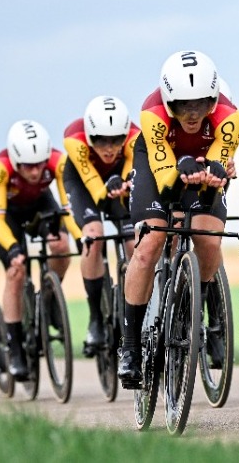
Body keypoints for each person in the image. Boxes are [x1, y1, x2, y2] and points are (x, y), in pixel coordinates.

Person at [117, 50, 239, 388]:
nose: (192, 113)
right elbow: (166, 184)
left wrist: (210, 174)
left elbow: (215, 176)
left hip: (199, 176)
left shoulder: (230, 118)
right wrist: (180, 169)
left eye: (201, 104)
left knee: (208, 237)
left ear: (214, 100)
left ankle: (196, 303)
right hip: (157, 169)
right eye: (183, 105)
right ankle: (129, 347)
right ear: (168, 102)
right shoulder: (152, 112)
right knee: (150, 242)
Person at [0, 120, 83, 379]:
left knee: (61, 246)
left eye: (40, 164)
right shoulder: (0, 168)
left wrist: (80, 236)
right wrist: (13, 247)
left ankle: (49, 296)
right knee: (16, 271)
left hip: (41, 205)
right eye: (28, 166)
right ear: (16, 160)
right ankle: (15, 346)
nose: (35, 172)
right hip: (9, 217)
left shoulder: (58, 162)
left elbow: (69, 207)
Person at [60, 95, 141, 358]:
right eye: (101, 140)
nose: (109, 147)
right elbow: (91, 181)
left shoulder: (136, 137)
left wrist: (123, 188)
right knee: (93, 238)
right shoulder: (74, 138)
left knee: (134, 241)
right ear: (89, 135)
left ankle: (137, 307)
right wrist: (105, 191)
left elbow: (132, 176)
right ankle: (95, 316)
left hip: (120, 185)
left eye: (116, 139)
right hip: (84, 184)